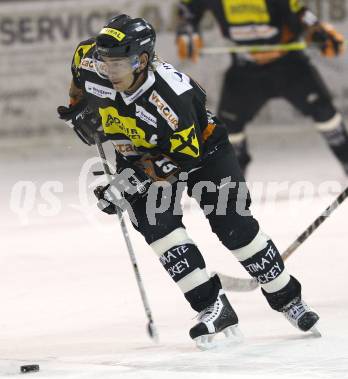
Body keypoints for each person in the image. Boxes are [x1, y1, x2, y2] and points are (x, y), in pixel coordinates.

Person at [58, 14, 319, 349]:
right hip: (137, 150)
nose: (109, 71)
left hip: (202, 154)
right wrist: (78, 108)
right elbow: (80, 78)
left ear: (141, 60)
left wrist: (127, 184)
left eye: (118, 65)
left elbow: (181, 158)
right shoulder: (91, 59)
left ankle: (287, 298)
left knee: (234, 226)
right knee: (156, 224)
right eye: (105, 63)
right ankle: (213, 305)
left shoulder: (171, 97)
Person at [176, 0, 348, 175]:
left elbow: (300, 12)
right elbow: (188, 8)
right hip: (245, 69)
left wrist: (318, 30)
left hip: (289, 64)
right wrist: (187, 29)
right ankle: (232, 189)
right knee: (228, 131)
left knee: (326, 114)